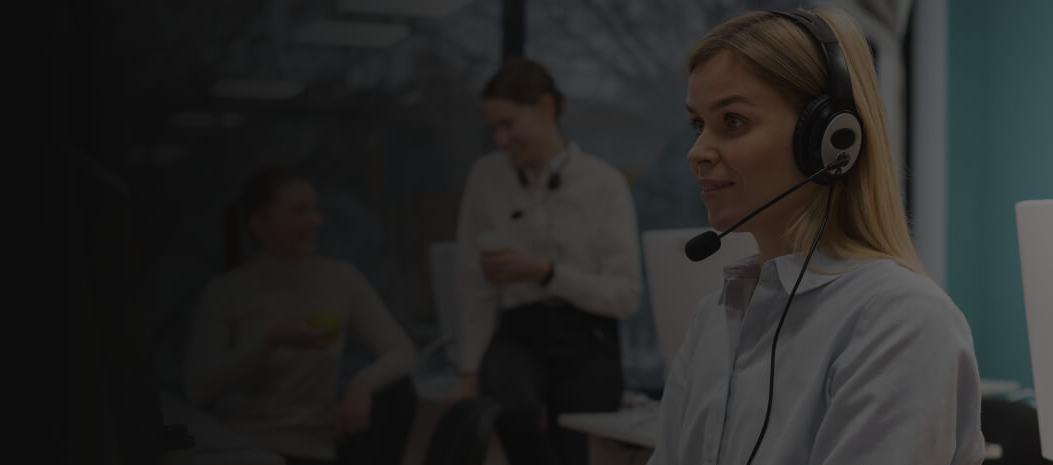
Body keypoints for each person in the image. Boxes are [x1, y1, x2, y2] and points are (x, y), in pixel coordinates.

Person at [649, 8, 983, 465]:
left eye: (733, 121)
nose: (697, 152)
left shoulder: (900, 322)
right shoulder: (715, 318)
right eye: (697, 125)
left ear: (830, 139)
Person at [443, 57, 645, 465]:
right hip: (520, 330)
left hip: (590, 333)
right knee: (507, 402)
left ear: (546, 107)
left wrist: (545, 272)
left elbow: (625, 296)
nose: (501, 139)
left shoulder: (603, 183)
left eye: (508, 124)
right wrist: (469, 374)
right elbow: (473, 284)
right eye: (494, 128)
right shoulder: (486, 178)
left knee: (580, 447)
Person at [184, 168, 419, 465]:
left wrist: (362, 384)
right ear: (260, 224)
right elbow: (198, 389)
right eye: (299, 211)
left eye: (315, 210)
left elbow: (403, 352)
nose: (315, 221)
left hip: (314, 450)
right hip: (242, 448)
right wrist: (270, 339)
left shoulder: (341, 278)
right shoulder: (225, 292)